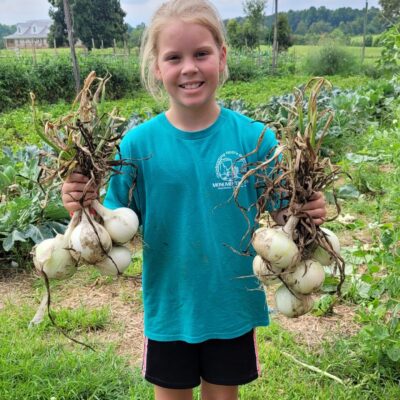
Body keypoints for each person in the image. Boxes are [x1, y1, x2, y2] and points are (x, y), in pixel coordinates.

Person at [61, 1, 327, 399]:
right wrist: (82, 207)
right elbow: (116, 223)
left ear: (221, 57)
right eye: (174, 57)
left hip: (231, 305)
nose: (189, 67)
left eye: (201, 53)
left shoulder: (255, 139)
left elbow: (284, 215)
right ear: (157, 67)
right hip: (170, 305)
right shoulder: (137, 144)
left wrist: (307, 210)